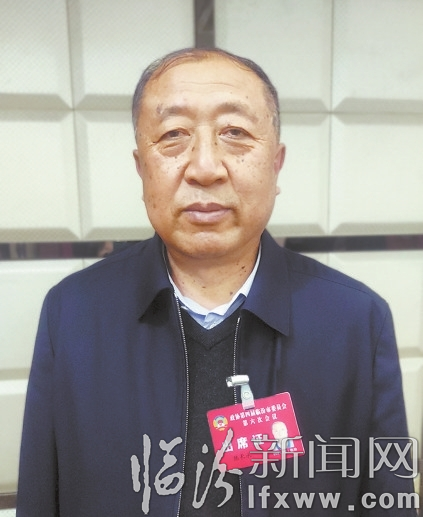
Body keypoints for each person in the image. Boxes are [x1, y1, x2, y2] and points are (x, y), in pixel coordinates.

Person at [17, 48, 417, 516]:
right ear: (141, 167)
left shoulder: (355, 320)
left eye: (235, 133)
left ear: (276, 164)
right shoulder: (73, 313)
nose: (205, 168)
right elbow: (41, 495)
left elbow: (388, 499)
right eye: (173, 135)